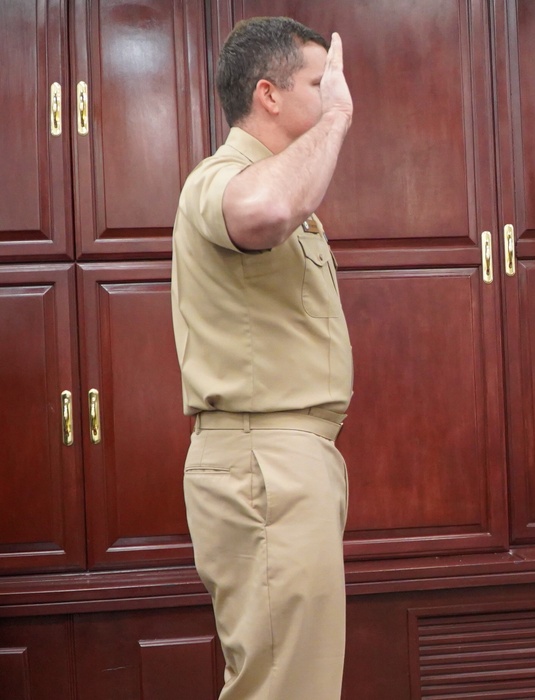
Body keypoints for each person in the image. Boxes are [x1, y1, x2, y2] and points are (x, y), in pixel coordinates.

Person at [170, 16, 354, 699]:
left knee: (288, 682)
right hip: (265, 463)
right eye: (317, 82)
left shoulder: (272, 179)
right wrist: (336, 119)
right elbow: (267, 207)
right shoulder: (222, 179)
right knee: (285, 688)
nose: (333, 92)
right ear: (269, 95)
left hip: (285, 461)